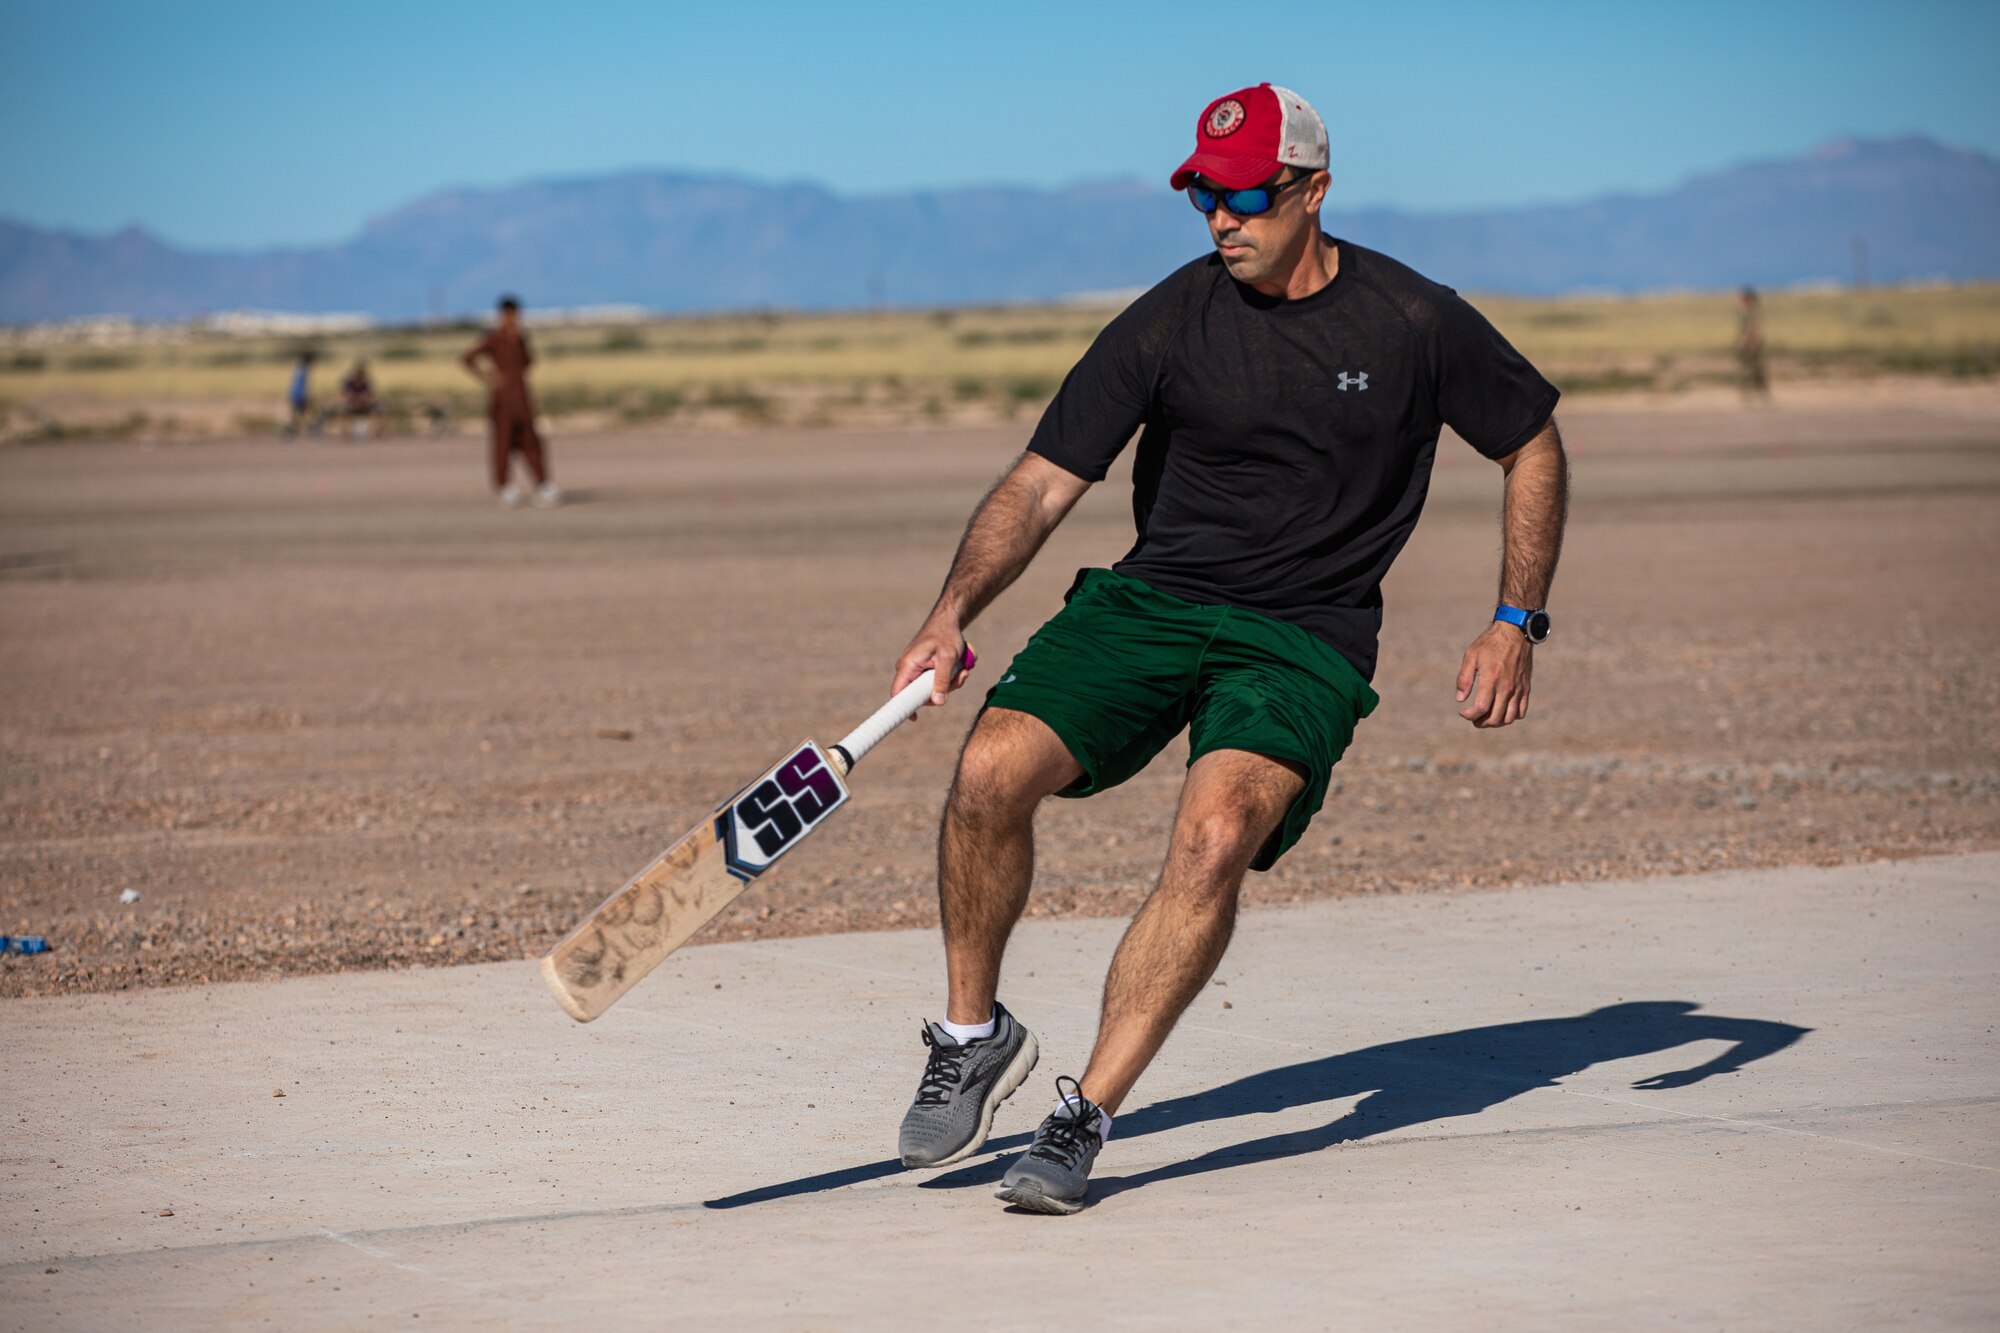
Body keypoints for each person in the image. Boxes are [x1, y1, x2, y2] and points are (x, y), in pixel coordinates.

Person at [889, 83, 1570, 1214]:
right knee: (987, 769)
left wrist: (1514, 619)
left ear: (1312, 190)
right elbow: (1043, 481)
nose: (1221, 219)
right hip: (1153, 601)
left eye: (1246, 193)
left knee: (1211, 840)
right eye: (1203, 195)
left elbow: (1531, 442)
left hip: (1301, 634)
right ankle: (971, 1034)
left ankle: (1082, 1114)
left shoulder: (1412, 319)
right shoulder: (1169, 318)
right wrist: (950, 608)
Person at [462, 295, 559, 507]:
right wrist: (488, 376)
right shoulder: (494, 338)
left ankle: (543, 484)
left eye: (516, 314)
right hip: (502, 400)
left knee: (531, 441)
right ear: (502, 315)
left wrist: (520, 342)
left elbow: (528, 362)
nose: (513, 319)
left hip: (521, 398)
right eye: (509, 315)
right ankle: (505, 486)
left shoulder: (521, 338)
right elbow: (467, 358)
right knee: (503, 443)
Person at [1736, 286, 1771, 403]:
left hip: (1752, 347)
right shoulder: (1746, 313)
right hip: (1751, 346)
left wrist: (1748, 344)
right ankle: (1756, 397)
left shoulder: (1752, 313)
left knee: (1753, 371)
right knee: (1753, 371)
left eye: (1741, 299)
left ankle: (1757, 397)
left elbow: (1755, 329)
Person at [339, 359, 380, 438]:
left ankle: (377, 432)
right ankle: (345, 434)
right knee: (344, 411)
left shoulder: (366, 384)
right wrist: (355, 399)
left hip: (365, 405)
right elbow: (345, 396)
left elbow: (372, 396)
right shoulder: (349, 383)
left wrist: (365, 399)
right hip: (353, 405)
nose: (360, 376)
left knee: (378, 410)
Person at [282, 351, 317, 438]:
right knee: (308, 414)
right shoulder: (304, 370)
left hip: (295, 395)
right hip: (299, 396)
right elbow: (302, 385)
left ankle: (291, 431)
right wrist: (305, 396)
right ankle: (311, 430)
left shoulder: (299, 368)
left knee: (297, 415)